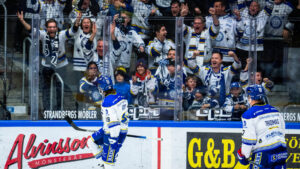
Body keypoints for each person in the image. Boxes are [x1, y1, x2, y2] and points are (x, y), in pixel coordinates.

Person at [17, 11, 81, 111]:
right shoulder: (42, 35)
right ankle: (47, 111)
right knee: (46, 89)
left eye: (53, 27)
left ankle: (59, 110)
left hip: (61, 66)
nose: (52, 29)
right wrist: (22, 20)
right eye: (50, 27)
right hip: (46, 66)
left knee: (60, 90)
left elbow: (73, 30)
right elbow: (31, 30)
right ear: (47, 28)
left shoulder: (61, 35)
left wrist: (77, 21)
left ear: (56, 28)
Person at [237, 84, 287, 169]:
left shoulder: (249, 114)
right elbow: (282, 132)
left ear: (250, 97)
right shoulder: (275, 111)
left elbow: (249, 140)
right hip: (281, 151)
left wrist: (243, 156)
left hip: (264, 154)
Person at [87, 75, 129, 169]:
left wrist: (114, 141)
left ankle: (105, 164)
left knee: (109, 165)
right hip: (113, 130)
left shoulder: (107, 102)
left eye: (99, 85)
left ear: (103, 87)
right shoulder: (119, 96)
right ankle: (102, 164)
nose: (98, 88)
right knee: (91, 142)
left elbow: (114, 124)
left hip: (113, 133)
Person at [234, 0, 274, 69]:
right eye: (251, 6)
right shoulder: (244, 12)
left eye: (255, 6)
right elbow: (240, 1)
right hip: (242, 48)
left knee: (256, 70)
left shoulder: (263, 15)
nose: (253, 7)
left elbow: (270, 4)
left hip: (257, 49)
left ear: (259, 8)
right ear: (249, 7)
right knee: (242, 68)